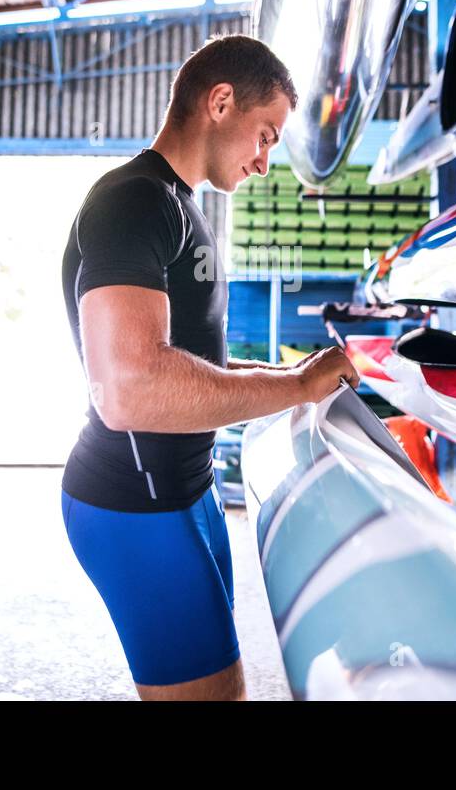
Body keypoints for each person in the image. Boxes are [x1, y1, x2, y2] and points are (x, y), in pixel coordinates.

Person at [60, 34, 358, 700]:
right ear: (220, 102)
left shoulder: (175, 204)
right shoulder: (131, 200)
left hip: (185, 495)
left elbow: (191, 360)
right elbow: (132, 388)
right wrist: (294, 386)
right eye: (266, 134)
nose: (265, 159)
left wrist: (295, 374)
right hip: (134, 505)